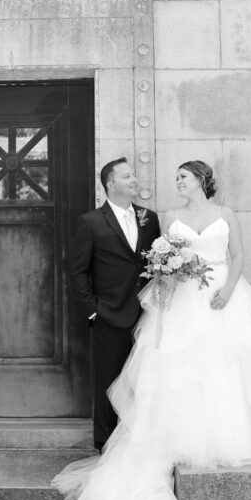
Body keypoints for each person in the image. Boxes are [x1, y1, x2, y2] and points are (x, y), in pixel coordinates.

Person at [54, 160, 251, 500]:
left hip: (221, 297)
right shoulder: (162, 218)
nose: (176, 182)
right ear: (109, 184)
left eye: (182, 177)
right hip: (178, 301)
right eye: (175, 178)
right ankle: (124, 446)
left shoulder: (217, 214)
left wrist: (229, 289)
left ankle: (224, 436)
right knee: (169, 369)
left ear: (201, 180)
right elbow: (155, 263)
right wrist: (168, 275)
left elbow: (238, 255)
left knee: (226, 364)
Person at [70, 157, 161, 453]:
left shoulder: (150, 218)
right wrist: (93, 311)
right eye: (127, 176)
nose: (134, 180)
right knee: (109, 383)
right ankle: (106, 447)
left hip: (146, 314)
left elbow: (154, 264)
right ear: (110, 184)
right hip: (108, 314)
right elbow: (78, 272)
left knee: (144, 380)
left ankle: (140, 443)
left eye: (133, 175)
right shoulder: (91, 222)